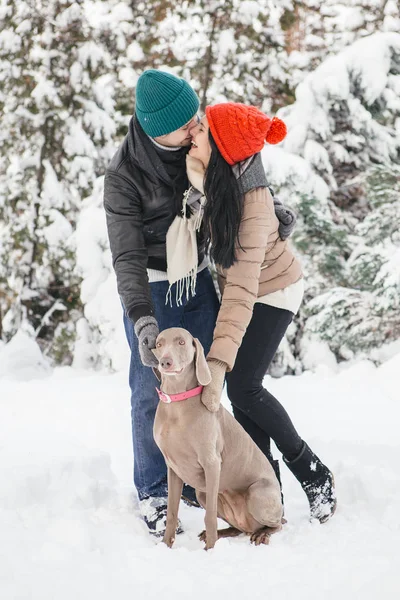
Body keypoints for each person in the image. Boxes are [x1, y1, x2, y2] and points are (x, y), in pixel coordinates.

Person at [104, 70, 297, 535]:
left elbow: (234, 182)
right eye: (187, 124)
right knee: (150, 388)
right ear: (156, 129)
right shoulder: (124, 176)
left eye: (196, 116)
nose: (197, 127)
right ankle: (154, 491)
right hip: (152, 287)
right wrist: (142, 317)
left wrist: (269, 218)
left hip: (197, 279)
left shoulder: (198, 145)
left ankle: (216, 481)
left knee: (210, 380)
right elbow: (126, 257)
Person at [176, 102, 337, 523]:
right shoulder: (216, 181)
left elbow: (243, 289)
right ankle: (270, 480)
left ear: (225, 148)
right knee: (242, 389)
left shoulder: (252, 205)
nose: (195, 134)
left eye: (203, 131)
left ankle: (313, 472)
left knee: (243, 386)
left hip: (275, 290)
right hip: (250, 289)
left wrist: (216, 361)